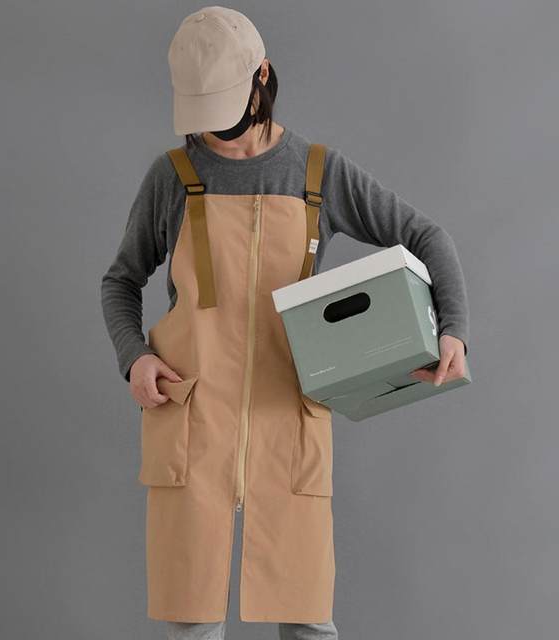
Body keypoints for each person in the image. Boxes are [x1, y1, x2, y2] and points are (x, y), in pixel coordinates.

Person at [100, 6, 470, 640]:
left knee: (307, 622)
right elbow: (120, 281)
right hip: (193, 425)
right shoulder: (172, 176)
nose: (214, 129)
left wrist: (452, 327)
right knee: (192, 623)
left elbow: (427, 236)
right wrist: (135, 356)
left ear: (262, 77)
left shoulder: (316, 173)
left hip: (288, 423)